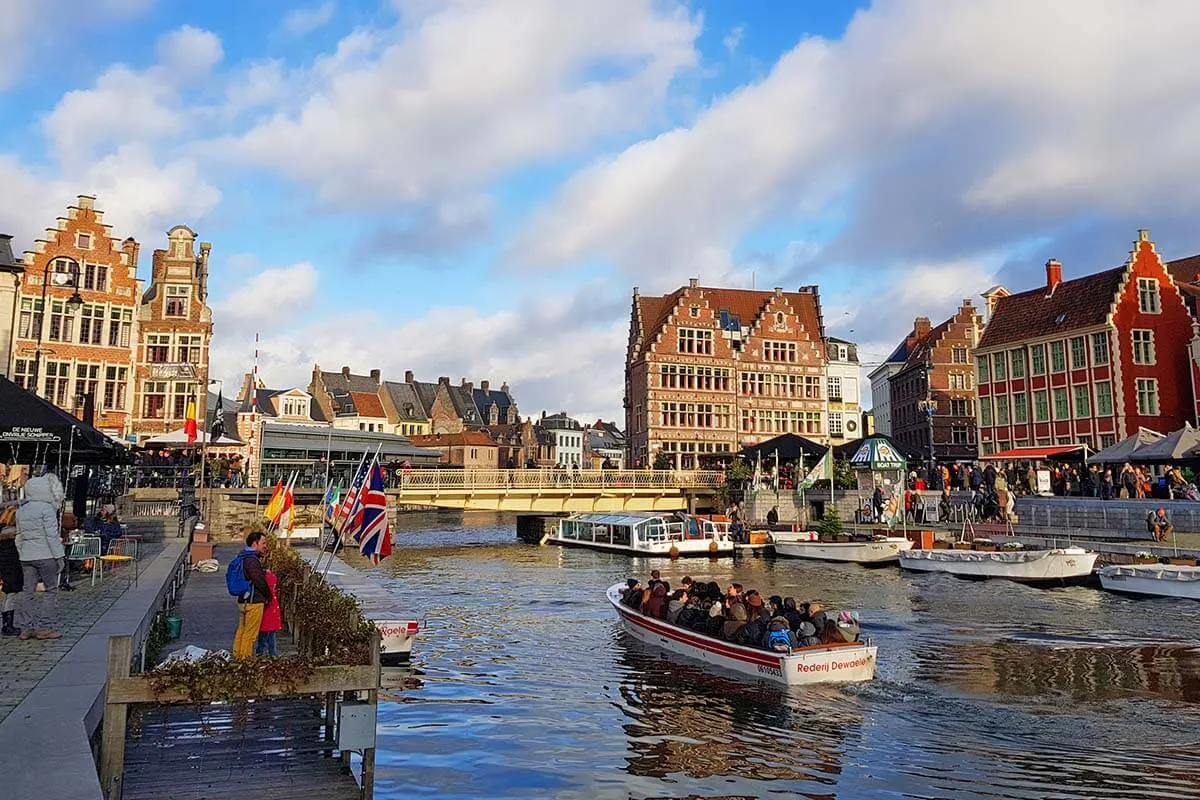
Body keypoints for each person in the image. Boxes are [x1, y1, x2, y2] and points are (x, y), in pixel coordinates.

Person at [14, 472, 66, 640]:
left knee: (27, 591)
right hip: (45, 554)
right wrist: (59, 556)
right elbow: (51, 535)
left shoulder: (21, 510)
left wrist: (22, 552)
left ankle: (25, 627)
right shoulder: (47, 509)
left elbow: (19, 536)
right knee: (50, 590)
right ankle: (44, 627)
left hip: (27, 556)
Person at [231, 531, 272, 659]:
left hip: (243, 599)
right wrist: (268, 595)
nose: (265, 546)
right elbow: (258, 580)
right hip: (254, 601)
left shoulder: (242, 556)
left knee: (241, 630)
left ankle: (237, 656)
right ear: (255, 543)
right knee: (250, 633)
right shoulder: (252, 560)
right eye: (263, 543)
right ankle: (245, 660)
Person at [0, 501, 23, 637]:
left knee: (11, 593)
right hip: (12, 564)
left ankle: (8, 624)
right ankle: (7, 625)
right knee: (12, 593)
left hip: (6, 564)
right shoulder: (15, 534)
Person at [255, 568, 282, 657]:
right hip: (270, 621)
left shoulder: (263, 594)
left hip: (266, 621)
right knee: (270, 638)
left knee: (264, 637)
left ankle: (261, 653)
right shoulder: (271, 596)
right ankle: (271, 654)